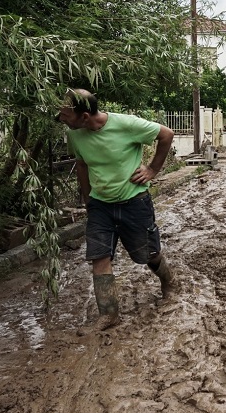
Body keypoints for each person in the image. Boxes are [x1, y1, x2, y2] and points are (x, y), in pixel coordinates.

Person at [56, 88, 176, 330]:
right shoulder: (75, 135)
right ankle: (109, 314)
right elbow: (81, 165)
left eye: (66, 115)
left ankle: (168, 280)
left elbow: (167, 134)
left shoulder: (126, 125)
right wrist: (88, 200)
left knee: (148, 255)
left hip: (134, 202)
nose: (61, 119)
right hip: (100, 205)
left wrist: (152, 169)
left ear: (85, 117)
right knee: (98, 256)